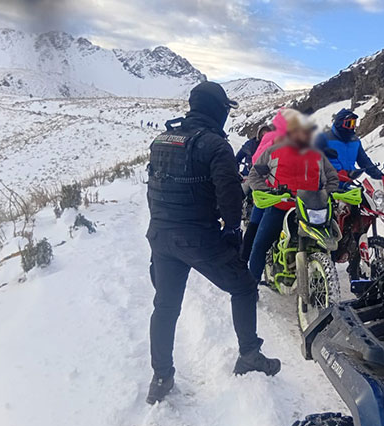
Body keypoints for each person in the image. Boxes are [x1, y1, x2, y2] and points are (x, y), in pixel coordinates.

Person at [145, 81, 281, 404]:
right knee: (245, 286)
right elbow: (231, 197)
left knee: (165, 307)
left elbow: (153, 189)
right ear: (216, 110)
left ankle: (161, 376)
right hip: (198, 238)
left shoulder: (161, 139)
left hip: (161, 237)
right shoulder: (216, 145)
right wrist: (232, 232)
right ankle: (249, 354)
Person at [246, 111, 340, 282]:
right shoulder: (273, 151)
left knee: (328, 245)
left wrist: (326, 193)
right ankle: (251, 288)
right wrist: (268, 192)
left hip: (310, 208)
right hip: (280, 206)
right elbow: (254, 175)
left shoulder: (317, 155)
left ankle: (325, 281)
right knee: (259, 246)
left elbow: (332, 178)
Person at [239, 109, 291, 263]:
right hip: (269, 191)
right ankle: (245, 261)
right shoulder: (263, 143)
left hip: (285, 192)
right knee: (256, 228)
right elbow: (255, 162)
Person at [315, 108, 382, 179]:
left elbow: (364, 162)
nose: (352, 127)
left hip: (348, 183)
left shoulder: (355, 142)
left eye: (354, 123)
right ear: (339, 123)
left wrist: (381, 177)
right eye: (349, 123)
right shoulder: (323, 139)